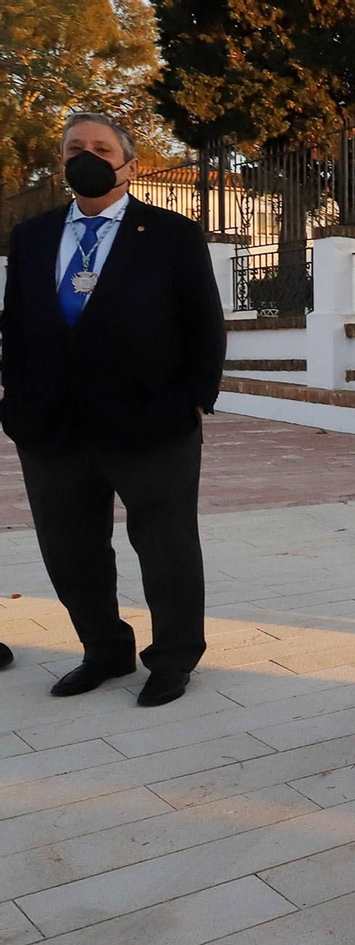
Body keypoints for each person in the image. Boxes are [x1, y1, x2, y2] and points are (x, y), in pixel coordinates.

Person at [0, 112, 224, 708]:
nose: (87, 157)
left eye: (101, 148)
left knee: (166, 548)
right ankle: (104, 651)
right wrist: (16, 405)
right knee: (70, 550)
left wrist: (192, 399)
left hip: (152, 423)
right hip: (52, 426)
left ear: (129, 165)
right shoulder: (32, 235)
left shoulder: (172, 234)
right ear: (60, 162)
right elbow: (16, 326)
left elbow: (204, 326)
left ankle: (173, 658)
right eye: (75, 147)